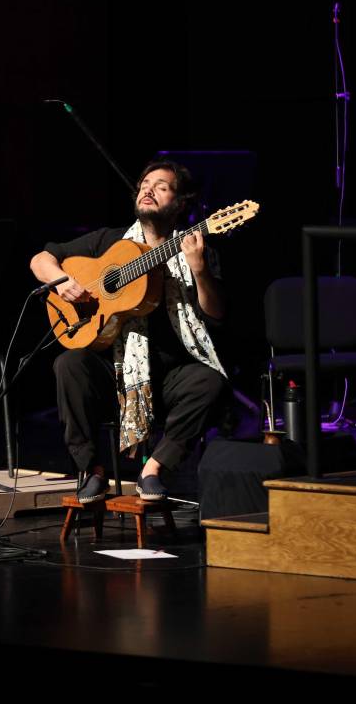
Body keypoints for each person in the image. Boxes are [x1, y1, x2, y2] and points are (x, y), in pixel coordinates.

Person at [29, 160, 229, 503]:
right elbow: (40, 259)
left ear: (180, 203)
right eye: (144, 184)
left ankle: (154, 469)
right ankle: (92, 470)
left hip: (170, 375)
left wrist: (199, 272)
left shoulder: (196, 249)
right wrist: (61, 282)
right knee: (69, 364)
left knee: (211, 382)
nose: (148, 190)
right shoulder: (110, 242)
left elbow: (216, 316)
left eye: (161, 186)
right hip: (116, 374)